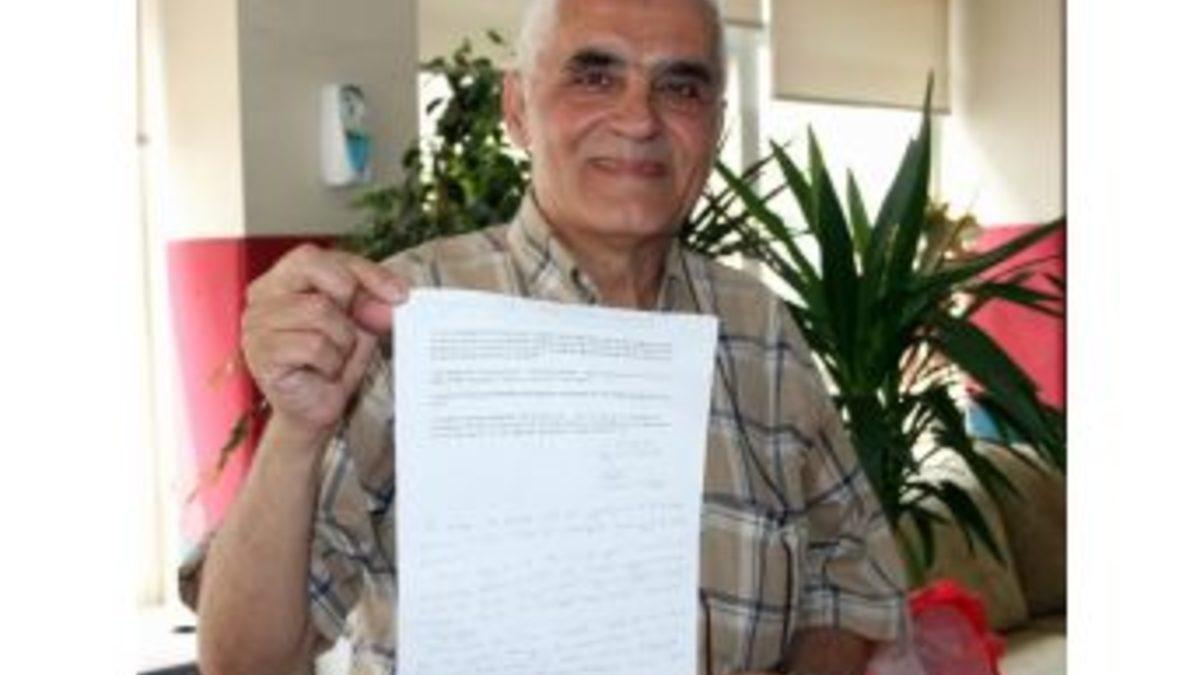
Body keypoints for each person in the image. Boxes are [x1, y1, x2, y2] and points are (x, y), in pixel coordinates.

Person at [185, 1, 908, 673]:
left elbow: (850, 569)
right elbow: (245, 661)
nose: (640, 119)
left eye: (680, 87)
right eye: (595, 76)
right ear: (518, 108)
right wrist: (297, 433)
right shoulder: (404, 317)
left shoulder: (758, 329)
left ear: (716, 126)